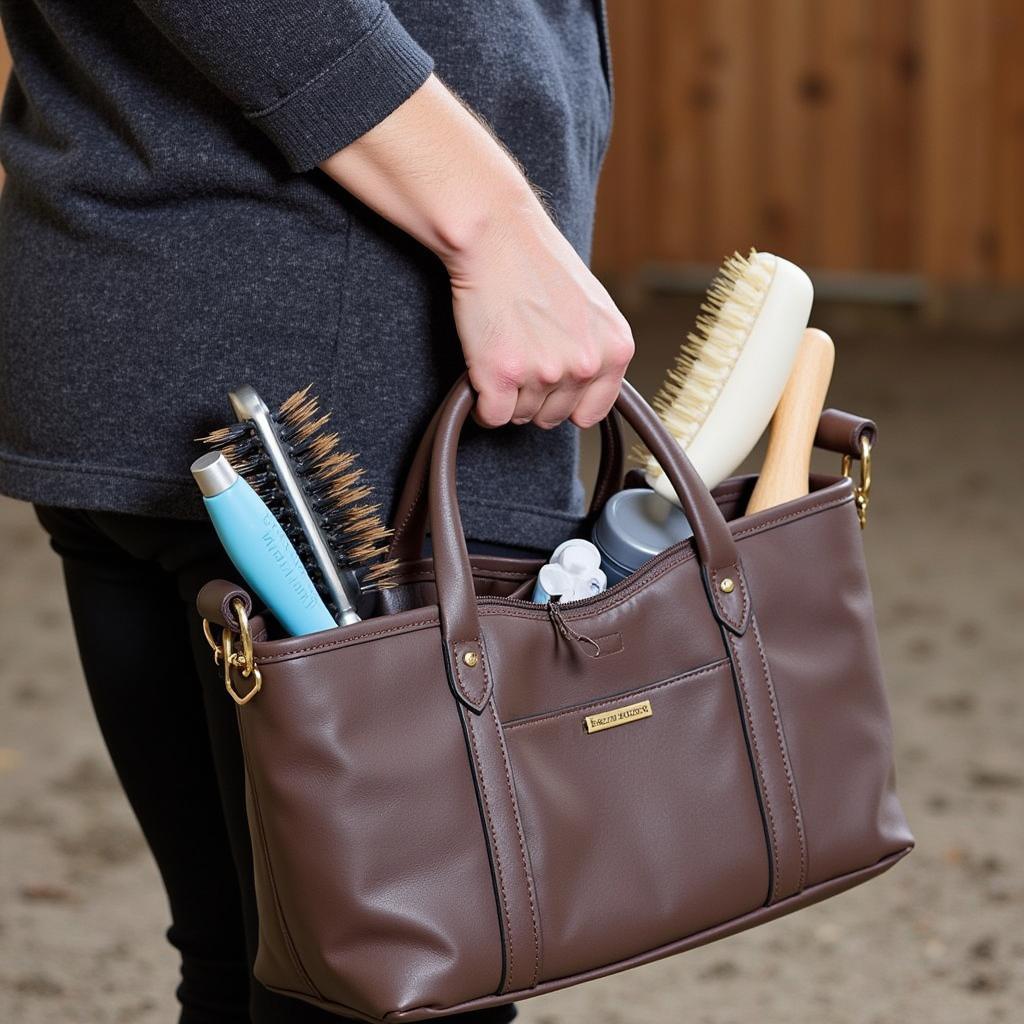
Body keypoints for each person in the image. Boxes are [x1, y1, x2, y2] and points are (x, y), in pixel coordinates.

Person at [0, 2, 633, 1021]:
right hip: (357, 354)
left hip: (150, 298)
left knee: (264, 965)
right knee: (398, 989)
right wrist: (495, 220)